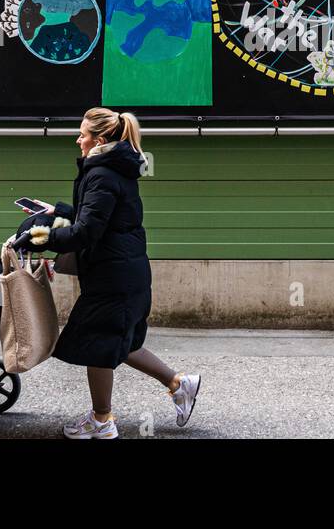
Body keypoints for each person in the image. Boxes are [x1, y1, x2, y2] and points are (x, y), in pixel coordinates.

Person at [18, 107, 201, 439]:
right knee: (121, 341)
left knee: (98, 344)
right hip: (124, 272)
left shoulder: (101, 173)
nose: (78, 139)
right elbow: (101, 217)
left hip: (113, 277)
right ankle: (179, 384)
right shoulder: (113, 169)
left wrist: (42, 237)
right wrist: (57, 212)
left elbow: (88, 231)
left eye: (82, 134)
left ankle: (102, 421)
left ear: (99, 139)